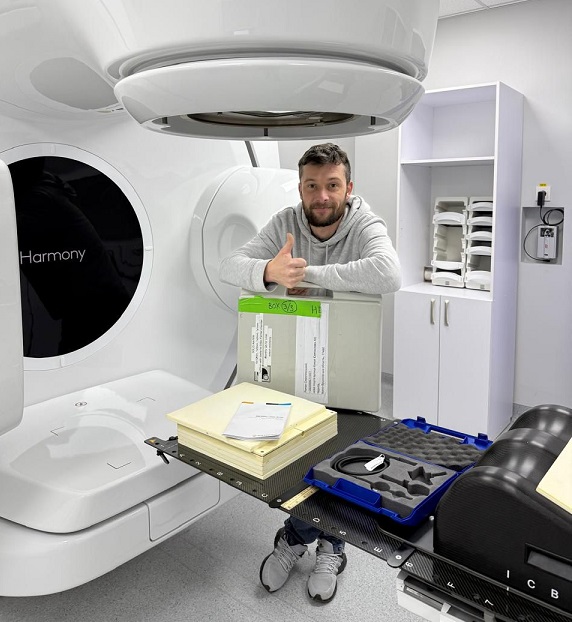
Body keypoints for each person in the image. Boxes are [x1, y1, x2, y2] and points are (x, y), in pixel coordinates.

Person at [219, 142, 401, 603]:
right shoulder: (285, 221)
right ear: (300, 188)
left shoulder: (365, 223)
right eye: (312, 186)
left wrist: (307, 275)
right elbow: (229, 265)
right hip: (298, 361)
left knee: (339, 461)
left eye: (332, 185)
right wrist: (268, 269)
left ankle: (305, 541)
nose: (322, 196)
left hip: (347, 360)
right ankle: (320, 543)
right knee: (299, 459)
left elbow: (389, 273)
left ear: (348, 187)